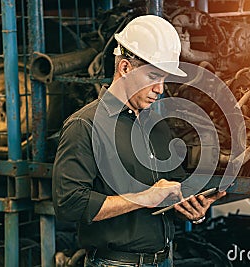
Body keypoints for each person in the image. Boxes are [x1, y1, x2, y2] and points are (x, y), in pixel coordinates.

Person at [52, 15, 226, 267]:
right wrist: (145, 198)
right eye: (153, 77)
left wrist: (192, 209)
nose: (160, 88)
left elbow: (170, 187)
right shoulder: (85, 126)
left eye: (164, 79)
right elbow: (70, 206)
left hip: (163, 259)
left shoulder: (156, 126)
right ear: (125, 68)